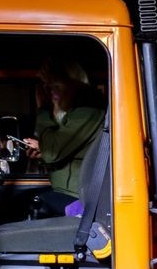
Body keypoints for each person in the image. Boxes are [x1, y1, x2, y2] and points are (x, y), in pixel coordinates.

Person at [23, 59, 105, 215]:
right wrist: (42, 153)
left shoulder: (88, 111)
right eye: (47, 87)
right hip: (67, 191)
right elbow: (65, 152)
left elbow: (53, 152)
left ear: (75, 84)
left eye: (56, 86)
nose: (51, 92)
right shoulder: (73, 114)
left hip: (79, 197)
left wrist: (43, 109)